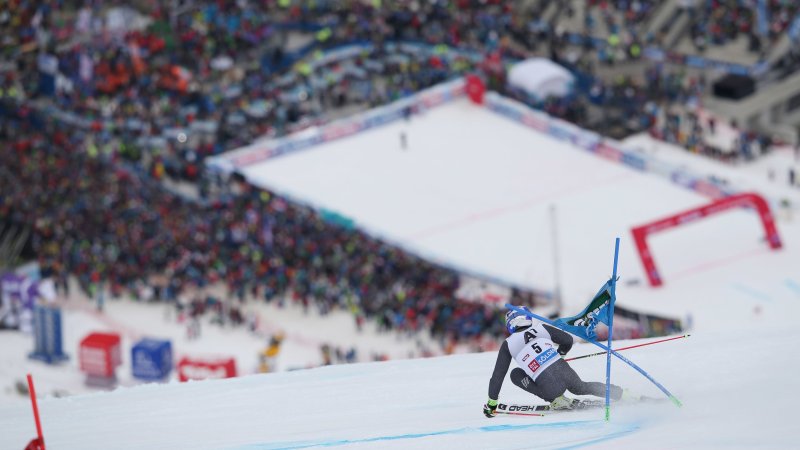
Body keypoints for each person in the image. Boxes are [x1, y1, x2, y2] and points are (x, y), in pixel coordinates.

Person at [483, 307, 634, 417]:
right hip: (566, 373)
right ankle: (622, 394)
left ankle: (556, 400)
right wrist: (560, 354)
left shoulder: (508, 344)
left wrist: (492, 403)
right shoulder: (541, 327)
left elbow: (498, 376)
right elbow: (567, 340)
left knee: (514, 373)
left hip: (549, 388)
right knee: (582, 387)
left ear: (510, 324)